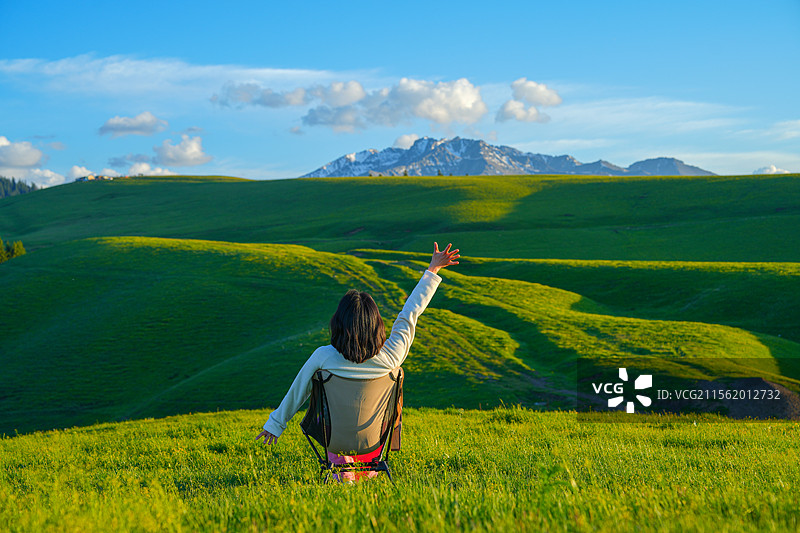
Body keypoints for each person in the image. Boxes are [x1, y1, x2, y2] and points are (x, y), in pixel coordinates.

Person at [255, 242, 460, 476]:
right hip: (374, 441)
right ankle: (365, 467)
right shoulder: (391, 356)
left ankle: (343, 467)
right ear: (377, 325)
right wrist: (433, 270)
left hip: (333, 441)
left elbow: (298, 390)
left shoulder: (323, 356)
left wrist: (275, 425)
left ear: (338, 324)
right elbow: (410, 313)